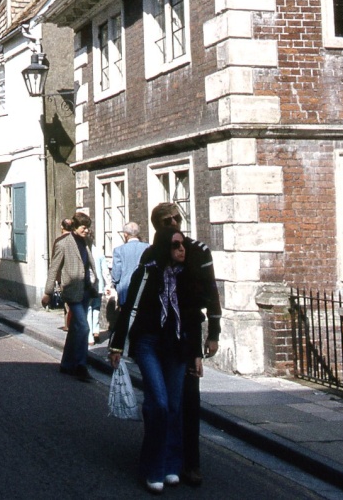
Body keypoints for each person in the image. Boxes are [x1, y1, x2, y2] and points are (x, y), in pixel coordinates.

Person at [108, 228, 205, 494]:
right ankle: (152, 468)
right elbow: (130, 308)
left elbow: (193, 317)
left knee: (174, 406)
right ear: (164, 248)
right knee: (159, 403)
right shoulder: (146, 273)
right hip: (148, 343)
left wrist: (196, 354)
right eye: (175, 245)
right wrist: (117, 344)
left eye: (183, 245)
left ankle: (171, 464)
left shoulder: (187, 277)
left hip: (176, 346)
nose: (181, 249)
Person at [141, 203, 221, 487]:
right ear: (158, 226)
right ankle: (156, 457)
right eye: (167, 220)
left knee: (187, 399)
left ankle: (191, 462)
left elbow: (211, 293)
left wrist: (213, 333)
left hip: (187, 334)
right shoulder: (152, 254)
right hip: (157, 339)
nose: (174, 222)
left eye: (177, 218)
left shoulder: (197, 251)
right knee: (159, 402)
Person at [42, 212, 98, 382]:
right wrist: (48, 292)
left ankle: (66, 365)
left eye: (88, 228)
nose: (86, 230)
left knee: (75, 329)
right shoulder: (63, 243)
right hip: (72, 291)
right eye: (83, 228)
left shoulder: (87, 242)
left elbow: (88, 265)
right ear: (75, 227)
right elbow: (54, 268)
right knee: (84, 328)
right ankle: (81, 366)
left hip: (86, 290)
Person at [111, 222, 150, 308]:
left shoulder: (119, 250)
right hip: (145, 289)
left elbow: (116, 275)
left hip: (125, 290)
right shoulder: (148, 247)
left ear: (125, 234)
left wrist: (115, 284)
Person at [88, 231, 109, 345]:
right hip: (99, 286)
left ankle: (90, 336)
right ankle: (96, 331)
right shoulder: (99, 253)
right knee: (96, 308)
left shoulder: (84, 252)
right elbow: (105, 271)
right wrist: (108, 284)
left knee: (88, 309)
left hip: (88, 286)